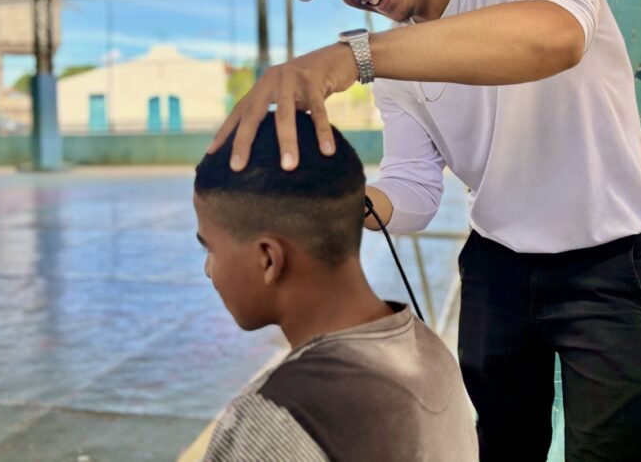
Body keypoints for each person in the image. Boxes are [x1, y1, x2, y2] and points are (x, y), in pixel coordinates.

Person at [209, 0, 641, 461]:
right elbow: (415, 187)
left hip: (608, 263)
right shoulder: (392, 67)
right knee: (501, 448)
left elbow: (557, 36)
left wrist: (353, 56)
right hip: (498, 267)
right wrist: (342, 207)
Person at [194, 111, 478, 461]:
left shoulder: (272, 420)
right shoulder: (432, 352)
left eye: (210, 248)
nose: (209, 270)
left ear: (268, 259)